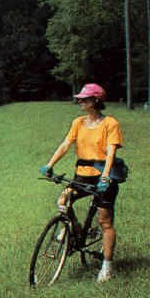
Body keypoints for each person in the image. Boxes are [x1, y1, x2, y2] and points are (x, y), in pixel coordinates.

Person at [40, 83, 123, 283]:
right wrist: (50, 164)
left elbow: (111, 151)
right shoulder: (78, 122)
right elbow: (66, 144)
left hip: (104, 175)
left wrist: (105, 177)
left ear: (96, 101)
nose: (80, 101)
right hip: (82, 175)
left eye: (84, 99)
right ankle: (75, 230)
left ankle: (107, 266)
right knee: (62, 200)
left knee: (105, 221)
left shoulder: (110, 124)